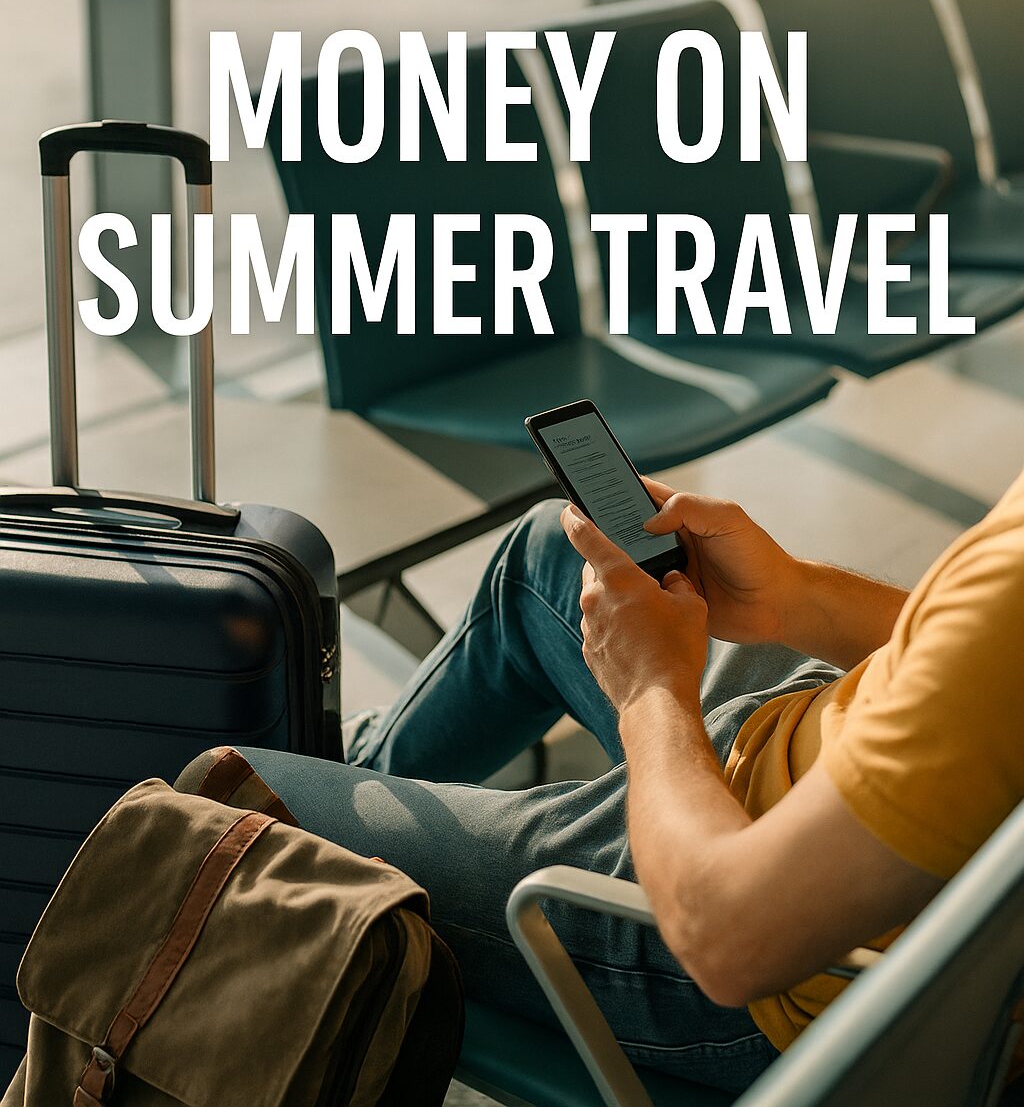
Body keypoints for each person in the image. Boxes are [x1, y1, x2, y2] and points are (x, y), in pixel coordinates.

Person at [187, 466, 1024, 1094]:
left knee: (220, 806)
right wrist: (793, 599)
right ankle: (360, 790)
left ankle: (329, 817)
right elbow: (975, 670)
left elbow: (728, 939)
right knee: (551, 554)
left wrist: (652, 692)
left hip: (767, 937)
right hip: (818, 757)